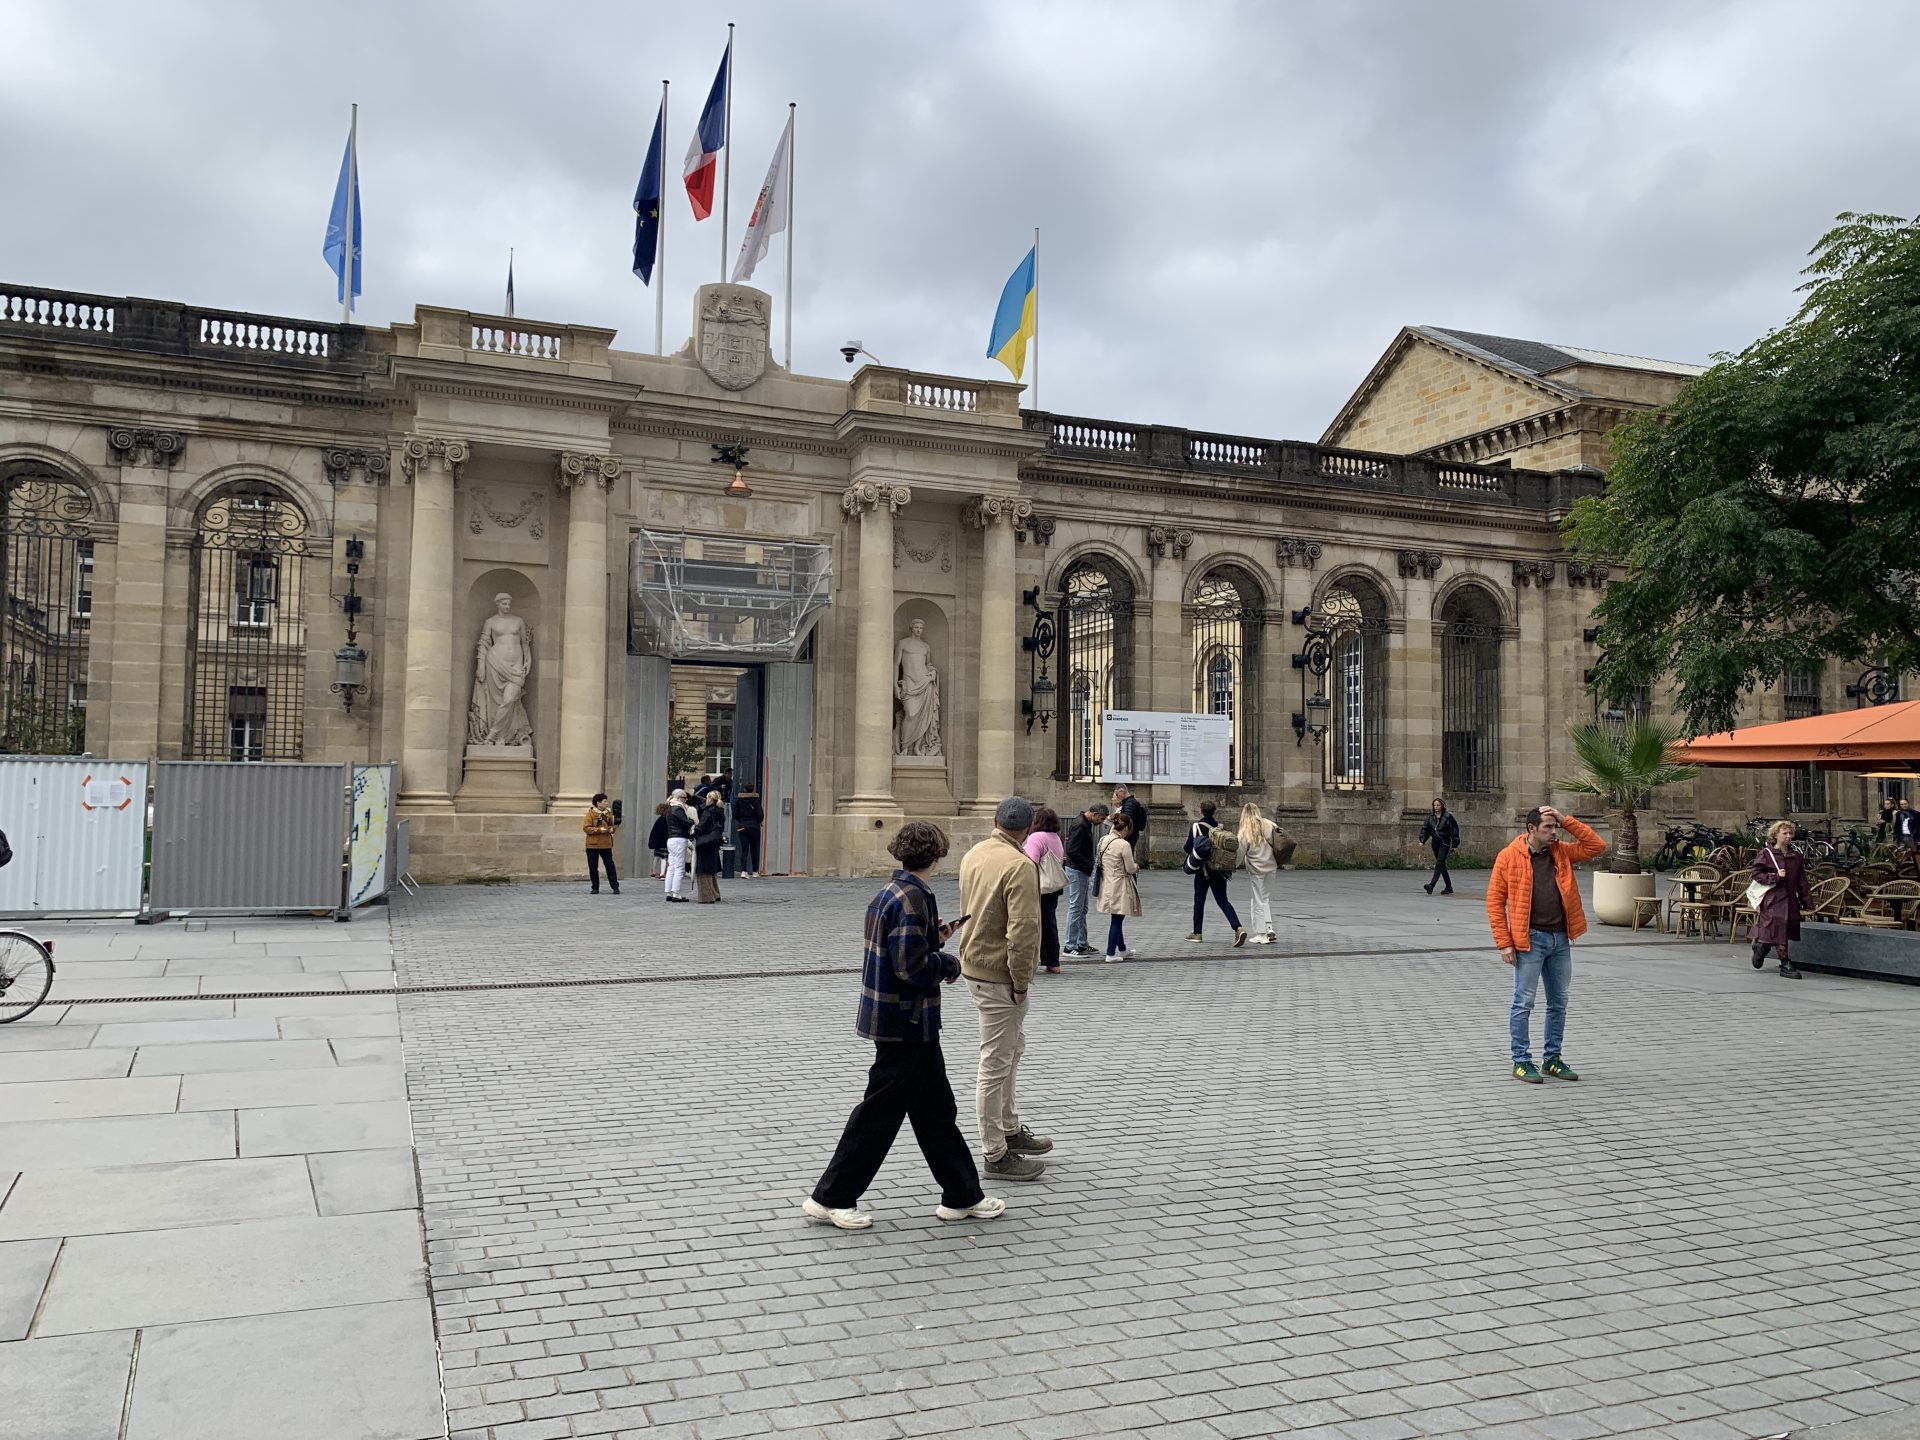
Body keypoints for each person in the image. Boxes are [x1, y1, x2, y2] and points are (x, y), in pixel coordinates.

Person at [803, 821, 1004, 1230]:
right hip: (906, 1020)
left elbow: (903, 950)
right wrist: (948, 964)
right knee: (879, 1113)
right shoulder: (915, 898)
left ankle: (962, 1195)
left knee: (936, 1111)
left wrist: (937, 937)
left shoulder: (890, 893)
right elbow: (911, 966)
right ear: (935, 855)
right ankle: (831, 1197)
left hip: (898, 1018)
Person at [958, 796, 1050, 1182]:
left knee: (1011, 1049)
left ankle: (1009, 1128)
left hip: (974, 961)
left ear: (996, 820)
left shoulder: (975, 853)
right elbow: (1024, 930)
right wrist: (1021, 981)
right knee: (996, 1061)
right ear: (1028, 829)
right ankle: (995, 1151)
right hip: (999, 972)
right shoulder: (1020, 865)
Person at [1486, 804, 1607, 1084]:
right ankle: (1521, 1060)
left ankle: (1552, 1059)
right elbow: (1494, 902)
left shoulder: (1560, 851)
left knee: (1559, 1002)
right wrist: (1504, 943)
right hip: (1530, 940)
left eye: (1555, 827)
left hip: (1560, 938)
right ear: (1531, 829)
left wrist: (1566, 820)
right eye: (1548, 827)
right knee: (1523, 1002)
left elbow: (1596, 846)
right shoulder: (1508, 857)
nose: (1554, 832)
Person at [1751, 819, 1814, 979]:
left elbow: (1802, 880)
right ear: (1776, 835)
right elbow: (1756, 873)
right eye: (1784, 833)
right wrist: (1774, 877)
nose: (1788, 836)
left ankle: (1762, 948)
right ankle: (1785, 962)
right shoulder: (1766, 854)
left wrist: (1807, 902)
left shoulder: (1795, 857)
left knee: (1783, 928)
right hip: (1773, 899)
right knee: (1778, 927)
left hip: (1790, 899)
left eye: (1790, 833)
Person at [1184, 800, 1247, 947]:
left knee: (1199, 902)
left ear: (1201, 810)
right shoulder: (1220, 828)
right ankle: (1238, 928)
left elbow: (1188, 848)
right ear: (1214, 811)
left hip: (1203, 870)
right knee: (1223, 901)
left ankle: (1197, 933)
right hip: (1219, 870)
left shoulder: (1196, 827)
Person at [1060, 801, 1109, 957]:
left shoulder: (1084, 823)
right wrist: (1088, 866)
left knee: (1082, 908)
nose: (1101, 822)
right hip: (1077, 869)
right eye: (1100, 819)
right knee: (1076, 908)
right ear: (1093, 814)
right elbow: (1073, 850)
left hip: (1079, 869)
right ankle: (1070, 945)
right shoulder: (1080, 825)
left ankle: (1081, 943)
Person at [1024, 806, 1067, 975]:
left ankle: (1036, 959)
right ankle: (1053, 961)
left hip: (1038, 886)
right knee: (1049, 922)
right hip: (1053, 886)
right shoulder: (1055, 837)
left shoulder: (1036, 837)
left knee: (1034, 923)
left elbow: (1030, 862)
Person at [1095, 813, 1142, 961]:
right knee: (1117, 918)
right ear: (1126, 828)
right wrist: (1137, 866)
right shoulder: (1123, 844)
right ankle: (1110, 953)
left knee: (1117, 915)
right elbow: (1130, 868)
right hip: (1120, 884)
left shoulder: (1103, 840)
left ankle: (1122, 949)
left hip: (1107, 882)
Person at [1238, 801, 1279, 944]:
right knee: (1265, 898)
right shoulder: (1270, 824)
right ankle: (1269, 927)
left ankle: (1261, 934)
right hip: (1271, 866)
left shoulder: (1245, 830)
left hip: (1256, 869)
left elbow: (1240, 852)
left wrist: (1234, 866)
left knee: (1257, 901)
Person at [1420, 797, 1461, 896]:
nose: (1436, 807)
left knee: (1439, 864)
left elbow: (1454, 830)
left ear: (1442, 806)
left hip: (1445, 843)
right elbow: (1426, 829)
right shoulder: (1431, 817)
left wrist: (1455, 845)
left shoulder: (1448, 817)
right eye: (1434, 805)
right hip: (1435, 843)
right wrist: (1422, 840)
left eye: (1438, 805)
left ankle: (1431, 885)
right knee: (1442, 865)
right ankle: (1449, 886)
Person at [692, 790, 727, 903]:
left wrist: (694, 828)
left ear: (710, 799)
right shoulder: (720, 811)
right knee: (712, 870)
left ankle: (706, 896)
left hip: (705, 842)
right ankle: (715, 893)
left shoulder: (708, 812)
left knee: (703, 870)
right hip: (714, 842)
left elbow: (701, 828)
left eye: (707, 798)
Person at [662, 790, 697, 902]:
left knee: (671, 866)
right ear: (680, 798)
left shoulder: (669, 808)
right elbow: (685, 823)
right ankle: (676, 892)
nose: (686, 800)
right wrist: (691, 821)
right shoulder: (678, 808)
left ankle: (669, 891)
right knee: (679, 867)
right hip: (679, 838)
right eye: (685, 798)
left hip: (671, 838)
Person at [583, 792, 620, 895]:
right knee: (593, 867)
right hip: (593, 845)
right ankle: (595, 887)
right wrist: (600, 830)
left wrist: (612, 829)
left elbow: (613, 827)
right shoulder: (590, 814)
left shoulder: (609, 813)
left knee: (610, 866)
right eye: (605, 801)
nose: (607, 803)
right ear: (598, 803)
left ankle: (615, 887)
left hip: (606, 844)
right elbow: (586, 828)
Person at [733, 784, 765, 878]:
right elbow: (760, 815)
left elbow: (735, 814)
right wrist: (756, 822)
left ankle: (743, 870)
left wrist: (742, 821)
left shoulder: (739, 801)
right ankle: (755, 871)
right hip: (754, 827)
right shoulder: (756, 801)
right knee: (754, 850)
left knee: (744, 850)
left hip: (743, 826)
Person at [1113, 786, 1148, 856]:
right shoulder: (1131, 802)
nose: (1117, 797)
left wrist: (1114, 819)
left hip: (1129, 833)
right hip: (1132, 833)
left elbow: (1125, 819)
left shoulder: (1129, 803)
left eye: (1117, 794)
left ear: (1121, 791)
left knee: (1126, 854)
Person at [646, 802, 670, 880]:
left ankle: (653, 872)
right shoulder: (667, 820)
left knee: (656, 857)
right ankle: (662, 874)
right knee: (664, 858)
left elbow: (655, 832)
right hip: (665, 842)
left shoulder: (659, 820)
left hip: (658, 843)